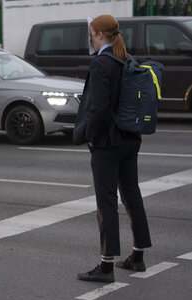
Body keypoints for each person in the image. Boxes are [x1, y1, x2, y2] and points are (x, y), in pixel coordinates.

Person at [74, 14, 152, 283]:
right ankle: (138, 257)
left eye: (91, 34)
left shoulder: (101, 64)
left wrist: (91, 137)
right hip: (131, 138)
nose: (90, 38)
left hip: (108, 142)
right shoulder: (127, 59)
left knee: (106, 202)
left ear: (97, 35)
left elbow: (99, 107)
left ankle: (106, 266)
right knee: (132, 196)